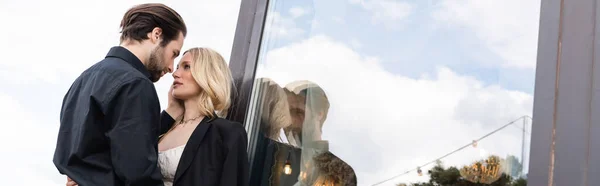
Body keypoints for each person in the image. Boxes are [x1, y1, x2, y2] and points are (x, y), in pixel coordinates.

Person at [66, 47, 250, 186]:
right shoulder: (164, 126)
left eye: (186, 67)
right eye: (177, 67)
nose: (175, 73)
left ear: (208, 75)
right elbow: (126, 160)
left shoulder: (226, 133)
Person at [54, 3, 187, 186]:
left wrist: (170, 114)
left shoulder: (83, 79)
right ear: (156, 35)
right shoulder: (136, 84)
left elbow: (105, 144)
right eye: (174, 54)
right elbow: (138, 173)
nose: (171, 67)